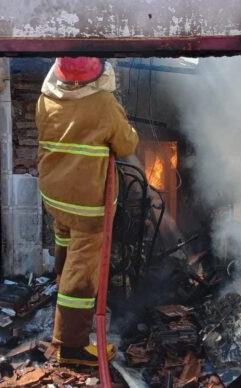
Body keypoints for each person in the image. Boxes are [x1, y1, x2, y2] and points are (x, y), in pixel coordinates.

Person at [36, 57, 139, 366]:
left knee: (65, 245)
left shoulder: (46, 99)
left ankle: (60, 281)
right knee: (82, 273)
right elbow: (126, 144)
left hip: (55, 196)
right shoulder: (103, 104)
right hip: (87, 205)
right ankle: (71, 345)